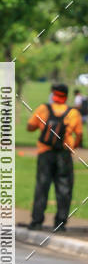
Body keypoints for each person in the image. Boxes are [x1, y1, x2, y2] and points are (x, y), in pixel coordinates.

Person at [27, 83, 83, 232]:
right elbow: (79, 135)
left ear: (53, 93)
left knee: (42, 186)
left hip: (45, 153)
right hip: (64, 154)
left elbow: (30, 127)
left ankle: (37, 221)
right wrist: (73, 147)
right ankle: (60, 223)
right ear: (66, 95)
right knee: (64, 188)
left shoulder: (43, 109)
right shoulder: (73, 113)